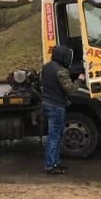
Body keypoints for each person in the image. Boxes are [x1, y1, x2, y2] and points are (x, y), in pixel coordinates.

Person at [41, 45, 86, 175]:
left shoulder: (46, 67)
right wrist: (80, 80)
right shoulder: (61, 71)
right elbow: (70, 89)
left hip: (47, 104)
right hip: (56, 106)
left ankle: (55, 162)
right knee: (54, 137)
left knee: (55, 135)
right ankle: (50, 165)